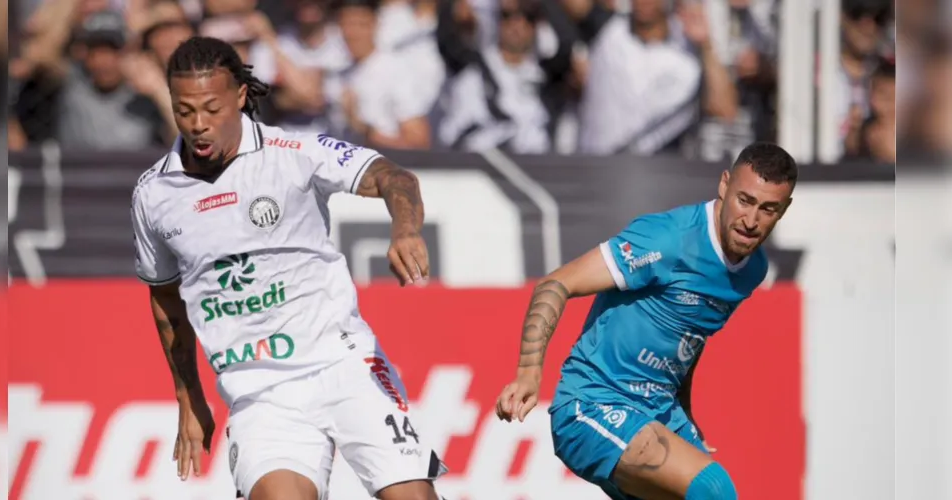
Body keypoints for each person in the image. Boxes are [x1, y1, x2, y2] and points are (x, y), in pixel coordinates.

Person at [131, 36, 447, 500]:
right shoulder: (154, 194)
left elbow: (392, 176)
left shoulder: (293, 151)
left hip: (344, 362)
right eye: (185, 111)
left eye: (212, 109)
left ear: (240, 96)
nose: (198, 125)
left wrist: (404, 230)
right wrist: (188, 396)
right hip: (260, 392)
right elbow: (165, 298)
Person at [495, 142, 798, 499]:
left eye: (768, 209)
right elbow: (555, 284)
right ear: (724, 184)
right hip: (594, 404)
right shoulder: (668, 238)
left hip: (659, 413)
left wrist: (684, 410)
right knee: (714, 490)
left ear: (784, 209)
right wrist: (529, 372)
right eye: (744, 201)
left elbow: (691, 335)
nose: (751, 221)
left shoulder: (752, 270)